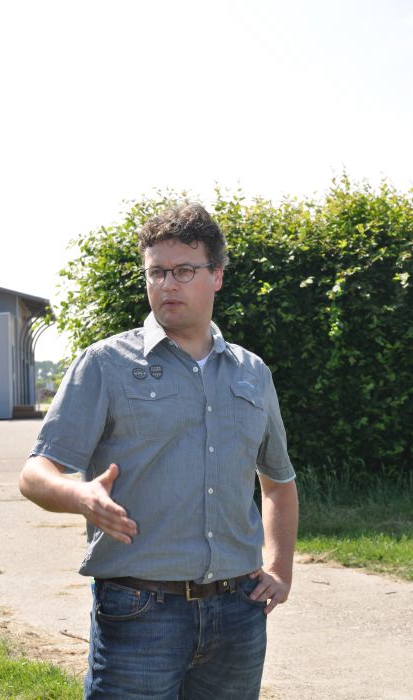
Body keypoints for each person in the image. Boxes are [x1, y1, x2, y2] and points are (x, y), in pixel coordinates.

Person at [19, 203, 298, 699]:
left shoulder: (252, 373)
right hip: (140, 611)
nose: (168, 284)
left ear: (217, 276)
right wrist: (80, 495)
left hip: (238, 610)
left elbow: (278, 482)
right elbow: (35, 473)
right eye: (156, 272)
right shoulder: (104, 364)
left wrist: (280, 570)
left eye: (184, 270)